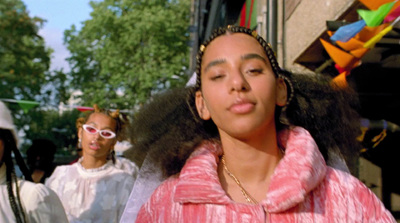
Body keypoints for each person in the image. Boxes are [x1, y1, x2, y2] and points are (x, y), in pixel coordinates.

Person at [127, 26, 395, 222]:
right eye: (218, 75)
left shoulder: (347, 197)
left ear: (281, 90)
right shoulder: (166, 207)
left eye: (253, 70)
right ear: (202, 105)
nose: (237, 83)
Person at [45, 105, 138, 223]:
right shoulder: (60, 175)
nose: (97, 136)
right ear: (80, 132)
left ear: (113, 142)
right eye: (91, 129)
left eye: (106, 133)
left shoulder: (124, 182)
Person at [0, 101, 68, 223]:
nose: (38, 159)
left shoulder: (32, 197)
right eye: (35, 155)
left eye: (42, 156)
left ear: (7, 142)